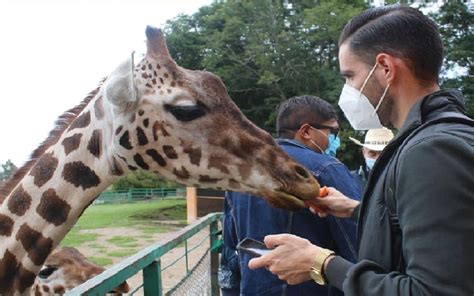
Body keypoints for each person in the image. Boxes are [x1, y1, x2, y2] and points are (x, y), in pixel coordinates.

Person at [248, 4, 474, 295]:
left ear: (385, 68)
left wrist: (321, 263)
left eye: (350, 76)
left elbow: (434, 291)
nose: (348, 90)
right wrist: (358, 209)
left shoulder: (431, 151)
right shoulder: (433, 137)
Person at [223, 95, 361, 295]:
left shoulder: (243, 172)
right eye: (333, 131)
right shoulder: (326, 169)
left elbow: (231, 247)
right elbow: (356, 243)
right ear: (306, 131)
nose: (336, 140)